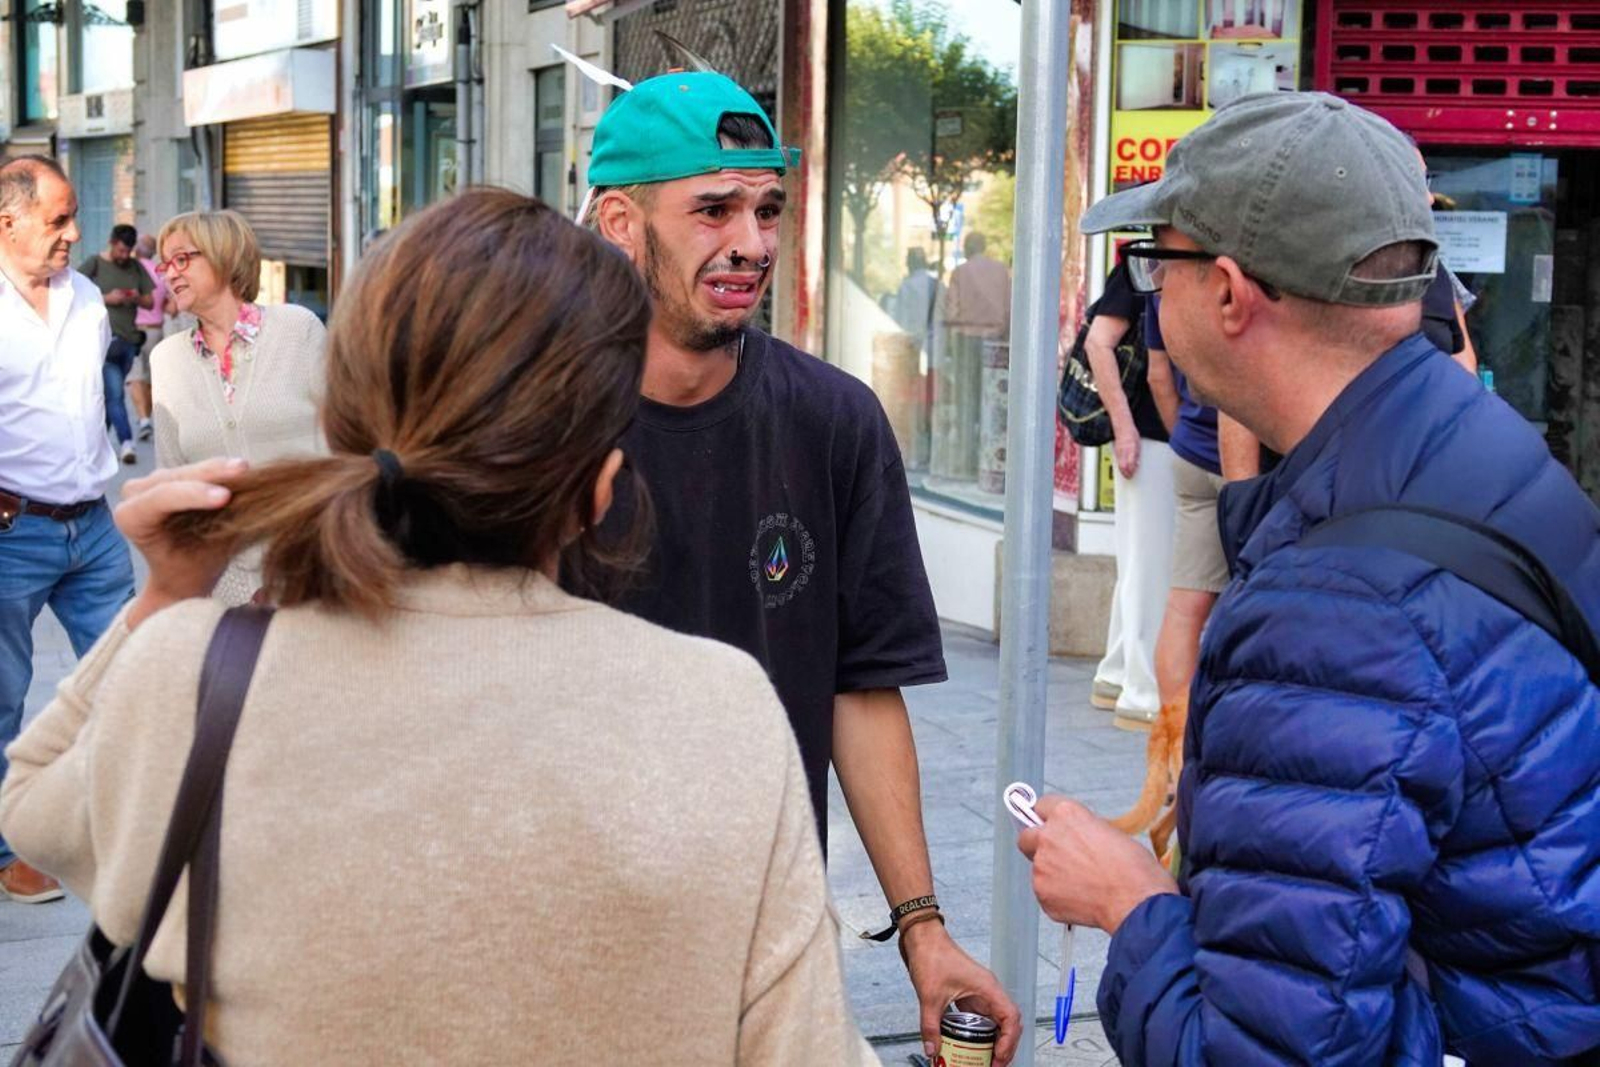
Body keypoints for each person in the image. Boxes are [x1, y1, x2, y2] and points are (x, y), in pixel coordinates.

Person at [0, 189, 875, 1065]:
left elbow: (30, 804)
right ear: (602, 483)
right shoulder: (722, 712)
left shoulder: (201, 683)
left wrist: (163, 596)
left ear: (346, 421)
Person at [1019, 92, 1600, 1065]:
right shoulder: (1481, 446)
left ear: (1232, 293)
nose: (1151, 296)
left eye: (1159, 262)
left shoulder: (1331, 616)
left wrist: (1130, 904)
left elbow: (1270, 1050)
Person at [581, 71, 1020, 1062]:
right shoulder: (536, 422)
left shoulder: (833, 421)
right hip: (574, 943)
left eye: (768, 209)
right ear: (619, 220)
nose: (752, 242)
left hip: (771, 944)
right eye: (712, 209)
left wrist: (922, 928)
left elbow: (858, 690)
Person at [0, 155, 137, 905]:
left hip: (94, 528)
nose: (72, 233)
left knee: (127, 674)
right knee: (3, 698)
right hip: (13, 533)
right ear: (8, 222)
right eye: (57, 219)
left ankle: (119, 822)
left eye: (72, 216)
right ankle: (7, 851)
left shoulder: (85, 295)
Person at [150, 210, 327, 606]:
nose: (170, 274)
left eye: (182, 259)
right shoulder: (167, 359)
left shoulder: (297, 330)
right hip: (226, 586)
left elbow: (347, 443)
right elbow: (173, 483)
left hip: (314, 570)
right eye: (165, 264)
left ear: (224, 256)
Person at [1085, 257, 1179, 723]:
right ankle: (1142, 694)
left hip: (1150, 437)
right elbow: (1098, 344)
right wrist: (1123, 429)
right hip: (1153, 437)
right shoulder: (1143, 266)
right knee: (1151, 568)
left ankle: (1118, 671)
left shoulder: (1145, 262)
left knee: (1140, 562)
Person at [935, 232, 1011, 480]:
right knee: (993, 403)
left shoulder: (961, 272)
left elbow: (951, 309)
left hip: (967, 340)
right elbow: (1010, 307)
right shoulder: (1001, 271)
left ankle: (968, 462)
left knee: (966, 402)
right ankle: (991, 460)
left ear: (968, 248)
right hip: (997, 341)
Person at [79, 222, 154, 464]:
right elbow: (72, 292)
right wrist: (106, 298)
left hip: (129, 342)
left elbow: (150, 302)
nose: (124, 256)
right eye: (120, 250)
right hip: (103, 342)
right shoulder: (95, 263)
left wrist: (134, 296)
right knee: (114, 395)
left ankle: (98, 446)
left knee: (111, 395)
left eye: (128, 252)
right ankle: (126, 442)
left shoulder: (135, 267)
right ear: (111, 243)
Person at [128, 232, 172, 442]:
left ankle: (144, 419)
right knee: (150, 378)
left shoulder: (130, 269)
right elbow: (170, 307)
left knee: (135, 376)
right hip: (156, 331)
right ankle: (147, 418)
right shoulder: (160, 274)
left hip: (134, 330)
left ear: (137, 249)